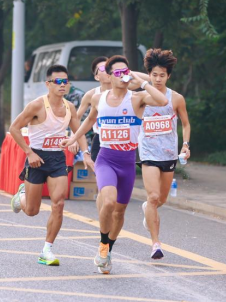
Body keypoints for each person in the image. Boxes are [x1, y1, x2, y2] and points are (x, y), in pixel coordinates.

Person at [64, 55, 169, 274]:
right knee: (109, 201)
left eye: (126, 72)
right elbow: (89, 120)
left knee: (120, 213)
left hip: (127, 162)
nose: (123, 76)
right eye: (118, 72)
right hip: (106, 159)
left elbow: (163, 101)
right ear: (110, 76)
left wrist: (142, 82)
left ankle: (108, 248)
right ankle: (103, 245)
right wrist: (74, 138)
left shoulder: (137, 98)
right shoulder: (98, 98)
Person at [9, 64, 91, 266]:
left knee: (59, 203)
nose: (63, 85)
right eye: (58, 81)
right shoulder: (37, 106)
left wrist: (84, 151)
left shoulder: (69, 107)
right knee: (32, 211)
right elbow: (14, 128)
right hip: (36, 158)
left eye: (66, 81)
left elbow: (79, 132)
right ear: (48, 84)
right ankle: (21, 196)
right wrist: (29, 153)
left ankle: (47, 250)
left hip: (57, 159)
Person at [137, 49, 192, 260]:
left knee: (161, 199)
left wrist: (185, 145)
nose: (158, 79)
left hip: (168, 154)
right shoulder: (141, 97)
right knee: (153, 197)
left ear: (168, 76)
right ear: (149, 75)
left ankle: (148, 209)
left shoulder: (176, 98)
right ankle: (155, 244)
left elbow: (185, 124)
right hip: (148, 152)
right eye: (154, 75)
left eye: (162, 75)